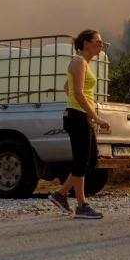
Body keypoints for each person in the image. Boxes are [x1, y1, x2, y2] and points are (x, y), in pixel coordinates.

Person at [48, 30, 111, 220]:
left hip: (79, 114)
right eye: (98, 42)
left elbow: (67, 88)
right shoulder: (78, 62)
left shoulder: (84, 63)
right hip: (78, 117)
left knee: (88, 160)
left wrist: (81, 108)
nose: (101, 45)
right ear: (86, 43)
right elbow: (78, 92)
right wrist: (95, 117)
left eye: (101, 42)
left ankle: (61, 194)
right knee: (82, 160)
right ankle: (81, 204)